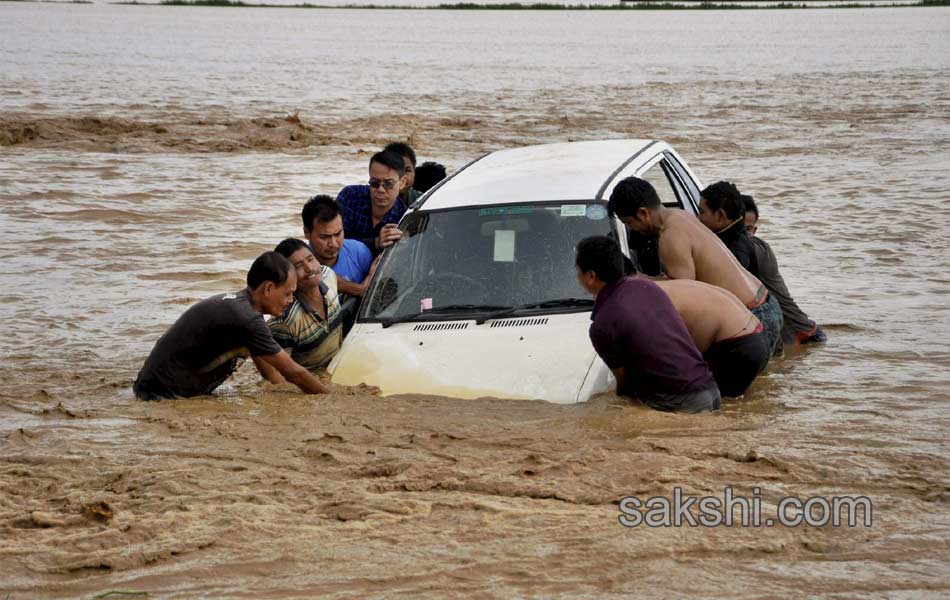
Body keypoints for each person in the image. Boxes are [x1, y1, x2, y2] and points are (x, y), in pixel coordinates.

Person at [608, 177, 783, 356]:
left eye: (629, 223)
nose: (632, 229)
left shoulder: (670, 237)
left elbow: (684, 293)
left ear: (643, 213)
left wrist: (635, 278)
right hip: (766, 302)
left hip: (750, 317)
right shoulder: (680, 216)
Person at [133, 252, 332, 400]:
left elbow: (270, 373)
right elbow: (294, 373)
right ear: (269, 288)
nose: (290, 300)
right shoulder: (247, 320)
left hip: (151, 388)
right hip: (162, 397)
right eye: (288, 293)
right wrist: (328, 398)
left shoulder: (242, 311)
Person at [576, 235, 721, 413]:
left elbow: (624, 383)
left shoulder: (602, 324)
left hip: (680, 402)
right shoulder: (649, 288)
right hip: (709, 387)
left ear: (591, 276)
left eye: (577, 270)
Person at [654, 278, 769, 398]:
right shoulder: (666, 287)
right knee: (732, 406)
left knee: (707, 407)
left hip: (737, 346)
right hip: (757, 333)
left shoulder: (648, 299)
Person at [744, 195, 827, 345]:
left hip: (802, 336)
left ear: (755, 230)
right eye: (741, 229)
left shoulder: (755, 249)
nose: (745, 234)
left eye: (748, 229)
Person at [264, 238, 345, 373]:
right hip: (314, 379)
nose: (309, 268)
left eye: (310, 259)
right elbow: (277, 378)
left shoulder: (328, 275)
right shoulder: (285, 322)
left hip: (338, 364)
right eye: (298, 266)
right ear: (285, 277)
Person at [302, 194, 377, 298]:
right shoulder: (301, 269)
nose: (333, 243)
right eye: (324, 237)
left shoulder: (360, 253)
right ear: (306, 233)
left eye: (338, 234)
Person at [336, 150, 408, 256]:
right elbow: (332, 242)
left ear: (402, 183)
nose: (380, 190)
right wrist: (375, 242)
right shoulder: (350, 197)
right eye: (375, 183)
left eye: (388, 184)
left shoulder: (403, 219)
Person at [384, 141, 424, 206]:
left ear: (414, 172)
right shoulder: (373, 200)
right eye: (395, 169)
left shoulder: (423, 201)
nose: (401, 176)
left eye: (407, 170)